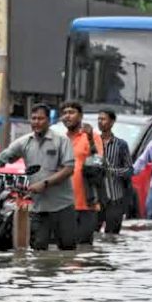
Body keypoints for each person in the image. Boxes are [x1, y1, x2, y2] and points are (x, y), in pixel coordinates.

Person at [0, 104, 76, 250]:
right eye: (33, 118)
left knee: (67, 251)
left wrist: (45, 183)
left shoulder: (61, 141)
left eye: (40, 118)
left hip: (63, 206)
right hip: (38, 207)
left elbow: (69, 169)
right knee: (38, 250)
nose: (36, 122)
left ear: (48, 121)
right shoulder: (24, 142)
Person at [60, 101, 104, 246]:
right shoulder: (60, 139)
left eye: (71, 112)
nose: (67, 116)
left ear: (80, 116)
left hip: (86, 203)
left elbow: (98, 163)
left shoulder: (92, 137)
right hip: (62, 204)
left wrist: (90, 138)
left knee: (83, 250)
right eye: (65, 113)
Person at [97, 110, 134, 234]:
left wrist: (111, 171)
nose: (100, 122)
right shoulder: (93, 143)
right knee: (92, 234)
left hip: (115, 197)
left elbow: (129, 170)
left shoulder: (121, 145)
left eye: (103, 119)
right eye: (99, 119)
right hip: (96, 198)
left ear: (112, 122)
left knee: (112, 237)